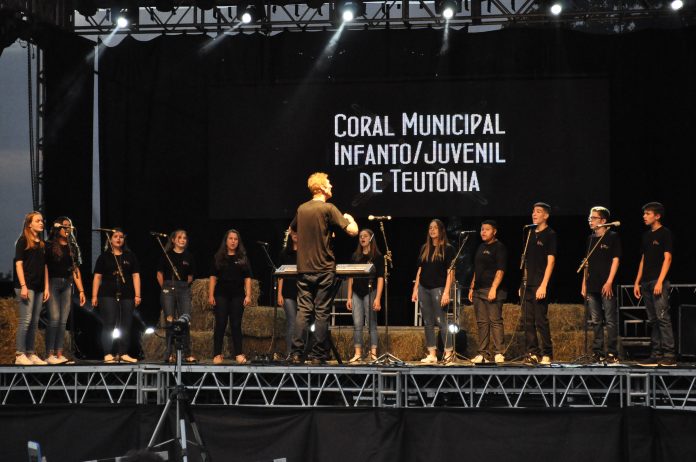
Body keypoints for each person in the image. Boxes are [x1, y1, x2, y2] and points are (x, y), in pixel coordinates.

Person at [289, 172, 358, 364]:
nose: (331, 186)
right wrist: (351, 219)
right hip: (323, 268)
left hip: (304, 268)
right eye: (328, 183)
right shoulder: (328, 208)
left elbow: (293, 229)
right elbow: (353, 232)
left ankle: (296, 353)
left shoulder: (302, 209)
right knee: (321, 312)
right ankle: (318, 355)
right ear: (320, 187)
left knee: (303, 310)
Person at [634, 202, 675, 367]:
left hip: (658, 282)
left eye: (648, 213)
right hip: (646, 282)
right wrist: (637, 282)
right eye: (644, 213)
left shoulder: (665, 233)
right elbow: (643, 260)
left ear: (657, 216)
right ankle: (656, 354)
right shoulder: (646, 236)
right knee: (653, 320)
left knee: (663, 318)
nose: (644, 216)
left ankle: (669, 355)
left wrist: (660, 281)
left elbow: (668, 258)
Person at [92, 229, 141, 363]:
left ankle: (123, 352)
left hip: (127, 293)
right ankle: (108, 353)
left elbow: (136, 276)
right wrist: (94, 295)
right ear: (110, 239)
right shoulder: (104, 257)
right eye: (115, 236)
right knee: (109, 322)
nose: (119, 239)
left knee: (126, 323)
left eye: (121, 237)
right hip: (107, 293)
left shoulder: (130, 256)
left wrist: (137, 295)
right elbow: (97, 277)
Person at [411, 219, 455, 364]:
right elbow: (420, 270)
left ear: (441, 230)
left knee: (441, 321)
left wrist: (447, 292)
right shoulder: (425, 248)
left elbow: (450, 272)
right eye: (430, 228)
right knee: (428, 322)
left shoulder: (447, 248)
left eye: (435, 228)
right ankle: (432, 353)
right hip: (424, 288)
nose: (432, 230)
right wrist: (415, 289)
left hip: (438, 288)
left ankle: (448, 353)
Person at [581, 206, 621, 364]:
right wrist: (584, 284)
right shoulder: (590, 239)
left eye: (594, 218)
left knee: (610, 320)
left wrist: (609, 281)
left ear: (603, 220)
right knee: (596, 320)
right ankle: (598, 352)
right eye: (589, 218)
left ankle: (612, 353)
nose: (590, 220)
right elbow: (586, 263)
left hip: (606, 284)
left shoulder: (612, 237)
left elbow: (616, 260)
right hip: (592, 285)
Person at [45, 216, 86, 364]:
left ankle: (59, 353)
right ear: (58, 228)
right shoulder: (49, 245)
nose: (68, 228)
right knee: (54, 318)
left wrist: (81, 291)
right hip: (53, 283)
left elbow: (75, 269)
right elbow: (44, 267)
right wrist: (46, 287)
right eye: (65, 225)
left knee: (63, 321)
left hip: (67, 284)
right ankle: (49, 354)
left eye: (69, 226)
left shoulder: (72, 246)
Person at [209, 229, 252, 365]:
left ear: (238, 242)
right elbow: (213, 277)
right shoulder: (219, 257)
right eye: (231, 238)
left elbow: (247, 278)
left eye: (235, 239)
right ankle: (217, 354)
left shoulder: (243, 258)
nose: (233, 241)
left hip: (237, 295)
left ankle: (238, 354)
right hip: (221, 294)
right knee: (221, 323)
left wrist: (248, 295)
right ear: (226, 241)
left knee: (236, 324)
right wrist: (211, 295)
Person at [521, 202, 556, 365]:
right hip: (527, 283)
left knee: (540, 320)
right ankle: (532, 352)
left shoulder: (550, 234)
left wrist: (544, 285)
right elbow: (526, 261)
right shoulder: (529, 233)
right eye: (533, 211)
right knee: (528, 320)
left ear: (546, 215)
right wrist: (522, 283)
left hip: (540, 283)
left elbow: (551, 261)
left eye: (538, 211)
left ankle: (547, 353)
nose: (534, 214)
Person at [468, 220, 507, 364]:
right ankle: (483, 353)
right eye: (482, 229)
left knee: (495, 321)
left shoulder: (499, 247)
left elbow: (500, 270)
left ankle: (499, 352)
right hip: (478, 290)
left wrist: (493, 288)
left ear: (494, 231)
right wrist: (472, 287)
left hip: (492, 289)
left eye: (487, 229)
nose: (483, 232)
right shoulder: (480, 247)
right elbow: (477, 269)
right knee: (482, 323)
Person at [13, 211, 50, 365]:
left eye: (42, 220)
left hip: (39, 286)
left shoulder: (42, 244)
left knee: (34, 322)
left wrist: (46, 287)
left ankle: (30, 352)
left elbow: (45, 267)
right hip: (26, 286)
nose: (41, 223)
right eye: (37, 221)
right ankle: (20, 354)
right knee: (26, 320)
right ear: (29, 224)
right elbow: (18, 264)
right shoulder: (22, 241)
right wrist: (23, 286)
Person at [157, 229, 196, 363]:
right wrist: (165, 288)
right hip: (168, 287)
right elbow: (159, 274)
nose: (182, 240)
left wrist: (182, 286)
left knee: (184, 320)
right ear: (173, 240)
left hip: (183, 288)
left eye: (184, 238)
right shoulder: (166, 255)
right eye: (179, 237)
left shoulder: (189, 256)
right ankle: (169, 353)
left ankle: (187, 353)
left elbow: (190, 277)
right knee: (170, 321)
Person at [346, 229, 384, 363]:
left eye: (365, 236)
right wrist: (349, 297)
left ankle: (373, 353)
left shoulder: (377, 257)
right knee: (357, 323)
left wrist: (378, 298)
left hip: (370, 291)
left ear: (371, 238)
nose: (362, 238)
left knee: (371, 323)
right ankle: (358, 353)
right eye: (360, 236)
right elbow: (350, 277)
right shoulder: (355, 256)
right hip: (357, 293)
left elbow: (380, 278)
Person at [277, 228, 299, 358]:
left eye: (298, 232)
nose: (296, 235)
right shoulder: (284, 253)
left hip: (302, 292)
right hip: (288, 292)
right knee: (292, 321)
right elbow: (280, 276)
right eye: (294, 233)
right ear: (290, 235)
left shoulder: (305, 252)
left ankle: (300, 352)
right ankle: (290, 352)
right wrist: (279, 294)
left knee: (302, 323)